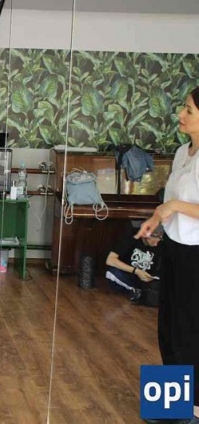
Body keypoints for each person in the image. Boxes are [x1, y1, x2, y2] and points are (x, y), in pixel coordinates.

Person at [137, 86, 199, 424]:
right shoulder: (180, 153)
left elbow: (179, 204)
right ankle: (171, 406)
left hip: (196, 255)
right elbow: (170, 203)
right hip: (174, 249)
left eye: (189, 110)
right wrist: (156, 221)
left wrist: (173, 206)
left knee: (190, 330)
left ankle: (195, 411)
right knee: (169, 327)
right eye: (183, 108)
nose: (180, 114)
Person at [105, 225, 162, 305]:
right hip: (129, 274)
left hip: (146, 279)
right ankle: (138, 291)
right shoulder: (130, 238)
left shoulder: (160, 245)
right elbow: (110, 260)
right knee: (111, 273)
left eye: (158, 241)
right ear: (145, 235)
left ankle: (141, 292)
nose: (156, 245)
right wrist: (136, 271)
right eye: (154, 241)